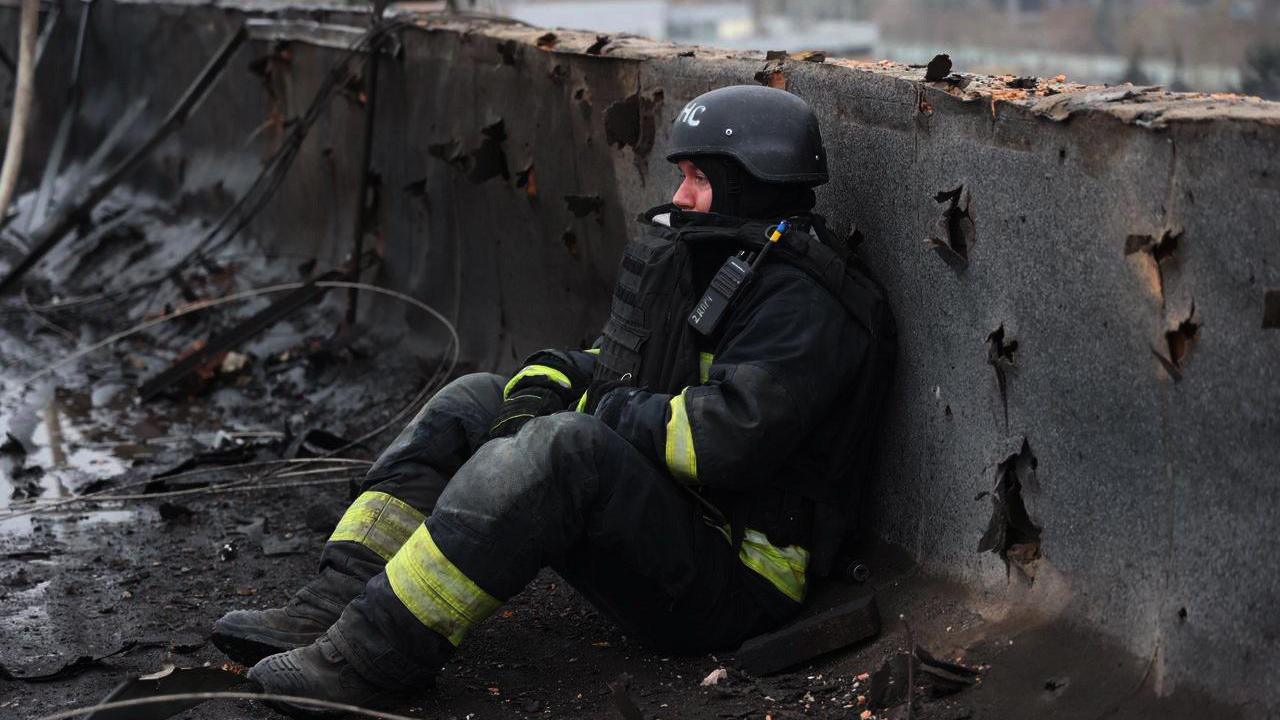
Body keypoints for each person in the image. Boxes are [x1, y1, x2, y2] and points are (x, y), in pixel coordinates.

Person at [216, 84, 896, 717]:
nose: (679, 195)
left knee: (565, 447)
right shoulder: (723, 262)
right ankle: (333, 607)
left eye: (696, 178)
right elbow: (631, 365)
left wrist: (590, 411)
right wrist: (544, 382)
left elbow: (724, 438)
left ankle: (369, 661)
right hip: (680, 524)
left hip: (735, 584)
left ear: (750, 183)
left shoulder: (806, 302)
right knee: (473, 399)